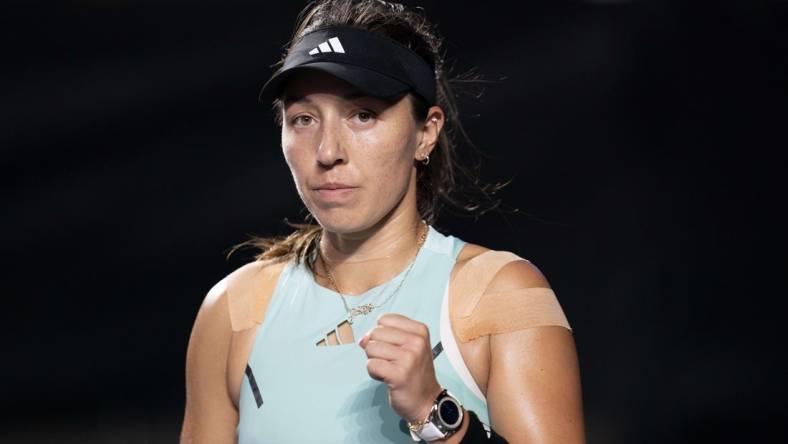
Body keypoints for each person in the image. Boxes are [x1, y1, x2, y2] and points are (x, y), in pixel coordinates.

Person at [181, 1, 585, 443]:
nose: (327, 150)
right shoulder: (233, 310)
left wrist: (437, 414)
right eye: (303, 119)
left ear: (426, 132)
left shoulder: (500, 295)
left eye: (363, 114)